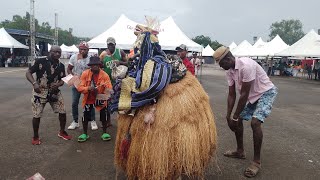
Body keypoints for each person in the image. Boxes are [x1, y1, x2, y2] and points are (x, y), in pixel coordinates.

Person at [213, 46, 278, 178]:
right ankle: (240, 151)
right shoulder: (229, 70)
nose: (221, 67)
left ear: (229, 58)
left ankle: (256, 162)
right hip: (254, 96)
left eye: (221, 63)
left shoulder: (246, 66)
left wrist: (235, 117)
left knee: (255, 123)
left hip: (266, 93)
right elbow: (232, 94)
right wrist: (228, 116)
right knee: (239, 120)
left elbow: (244, 94)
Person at [26, 45, 72, 145]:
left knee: (63, 111)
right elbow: (28, 72)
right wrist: (34, 84)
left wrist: (58, 84)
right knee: (37, 115)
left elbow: (62, 80)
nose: (57, 54)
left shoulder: (61, 65)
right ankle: (35, 136)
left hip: (54, 92)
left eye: (59, 52)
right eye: (55, 52)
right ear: (50, 52)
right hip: (39, 92)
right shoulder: (40, 61)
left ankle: (62, 132)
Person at [76, 56, 113, 142]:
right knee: (85, 116)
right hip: (88, 97)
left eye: (97, 64)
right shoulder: (85, 74)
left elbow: (109, 88)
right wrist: (88, 88)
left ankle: (104, 132)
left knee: (104, 115)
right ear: (90, 66)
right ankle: (85, 133)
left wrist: (106, 89)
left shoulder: (105, 75)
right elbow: (79, 87)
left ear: (99, 65)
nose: (95, 66)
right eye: (93, 65)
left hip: (100, 97)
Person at [67, 41, 98, 130]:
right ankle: (75, 121)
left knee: (90, 102)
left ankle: (92, 120)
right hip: (77, 83)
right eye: (81, 49)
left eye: (85, 49)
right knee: (74, 103)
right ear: (79, 49)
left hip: (87, 83)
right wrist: (72, 78)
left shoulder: (90, 59)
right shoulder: (74, 57)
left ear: (88, 50)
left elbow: (95, 71)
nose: (82, 51)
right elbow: (69, 69)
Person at [100, 37, 127, 126]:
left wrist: (120, 62)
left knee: (119, 101)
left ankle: (121, 120)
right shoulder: (103, 55)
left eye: (112, 44)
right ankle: (108, 121)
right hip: (107, 82)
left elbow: (128, 63)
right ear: (107, 45)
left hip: (118, 82)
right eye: (109, 45)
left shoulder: (120, 52)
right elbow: (100, 66)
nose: (110, 46)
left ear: (115, 44)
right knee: (107, 101)